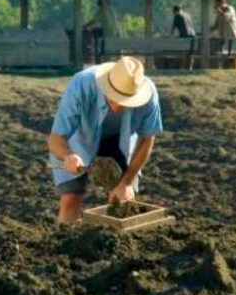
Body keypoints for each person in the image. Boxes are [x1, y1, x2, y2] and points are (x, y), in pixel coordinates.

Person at [47, 56, 163, 223]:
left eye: (125, 101)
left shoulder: (149, 95)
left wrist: (127, 182)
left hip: (119, 140)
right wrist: (68, 156)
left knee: (123, 200)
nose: (116, 106)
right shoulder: (81, 84)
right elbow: (55, 138)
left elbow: (147, 140)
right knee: (70, 199)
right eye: (113, 97)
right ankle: (63, 240)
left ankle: (120, 245)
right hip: (79, 139)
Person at [211, 0, 236, 68]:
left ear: (222, 3)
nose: (216, 6)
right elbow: (216, 25)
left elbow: (226, 17)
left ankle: (234, 72)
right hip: (224, 37)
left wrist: (219, 10)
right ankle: (228, 70)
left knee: (233, 56)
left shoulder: (229, 9)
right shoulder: (220, 12)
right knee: (226, 56)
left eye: (217, 4)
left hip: (232, 36)